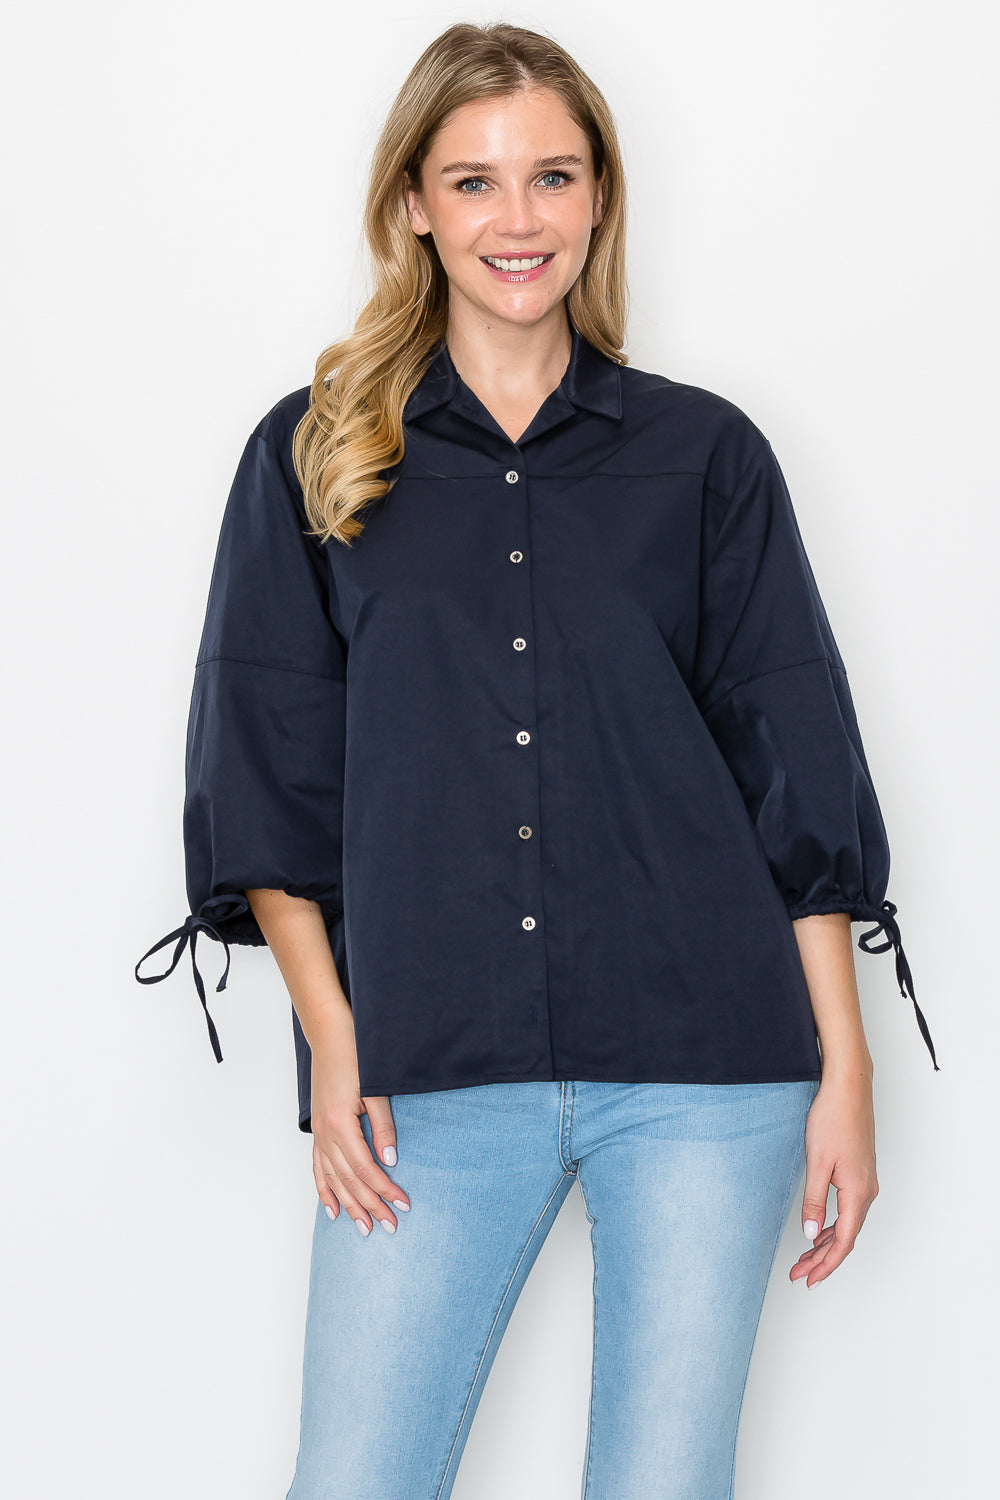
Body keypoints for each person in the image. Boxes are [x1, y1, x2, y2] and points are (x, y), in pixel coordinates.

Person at [133, 20, 940, 1500]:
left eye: (553, 177)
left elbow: (793, 756)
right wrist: (333, 1040)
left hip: (706, 1069)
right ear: (413, 207)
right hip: (425, 1064)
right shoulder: (315, 454)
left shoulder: (707, 455)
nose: (519, 219)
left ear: (599, 197)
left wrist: (848, 1069)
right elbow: (268, 765)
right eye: (476, 181)